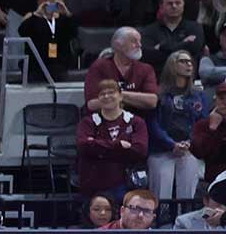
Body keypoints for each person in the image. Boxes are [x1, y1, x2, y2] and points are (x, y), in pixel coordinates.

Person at [148, 50, 210, 200]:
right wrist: (171, 144)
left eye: (190, 61)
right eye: (182, 61)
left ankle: (185, 222)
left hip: (189, 150)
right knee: (161, 195)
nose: (188, 64)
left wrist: (190, 143)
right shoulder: (158, 94)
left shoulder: (199, 95)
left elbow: (202, 123)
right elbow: (153, 124)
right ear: (172, 65)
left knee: (187, 195)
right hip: (161, 150)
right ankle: (160, 222)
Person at [78, 78, 148, 200]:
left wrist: (98, 146)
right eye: (102, 94)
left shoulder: (136, 122)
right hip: (94, 183)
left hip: (125, 184)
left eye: (111, 92)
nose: (106, 96)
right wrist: (119, 146)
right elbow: (84, 146)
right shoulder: (88, 122)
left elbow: (140, 150)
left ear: (121, 96)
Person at [84, 26, 160, 111]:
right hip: (105, 121)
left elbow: (152, 101)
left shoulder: (146, 69)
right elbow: (92, 104)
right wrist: (136, 99)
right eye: (133, 41)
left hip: (137, 121)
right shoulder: (99, 67)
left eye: (139, 41)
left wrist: (117, 95)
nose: (139, 45)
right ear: (118, 45)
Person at [18, 0, 78, 78]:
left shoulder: (63, 19)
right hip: (36, 65)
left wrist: (67, 13)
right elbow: (22, 32)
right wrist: (37, 14)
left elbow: (74, 33)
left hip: (60, 64)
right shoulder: (31, 17)